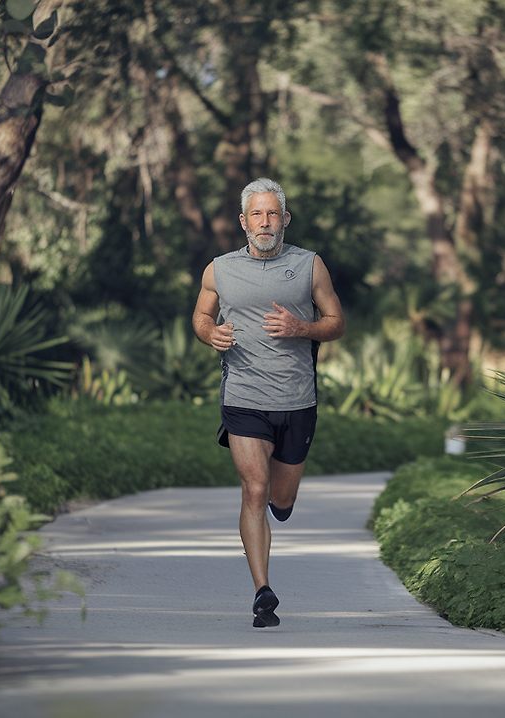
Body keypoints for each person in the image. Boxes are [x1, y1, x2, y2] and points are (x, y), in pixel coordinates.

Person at [192, 178, 346, 628]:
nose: (265, 222)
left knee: (280, 498)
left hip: (297, 400)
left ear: (285, 219)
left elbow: (335, 322)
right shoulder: (218, 270)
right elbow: (202, 316)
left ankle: (283, 504)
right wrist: (210, 334)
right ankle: (262, 591)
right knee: (254, 489)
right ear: (243, 221)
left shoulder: (309, 266)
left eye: (273, 213)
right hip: (243, 396)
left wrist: (302, 329)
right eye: (257, 214)